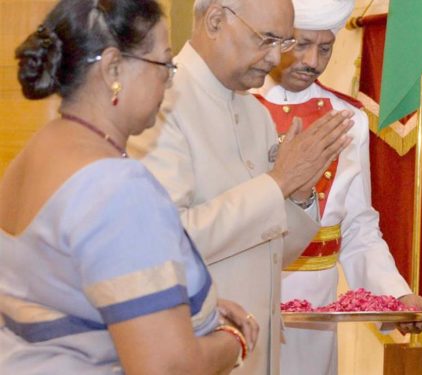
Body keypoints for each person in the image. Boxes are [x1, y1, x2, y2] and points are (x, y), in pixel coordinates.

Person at [0, 0, 258, 373]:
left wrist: (182, 309)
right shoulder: (117, 188)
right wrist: (233, 341)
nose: (169, 82)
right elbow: (167, 368)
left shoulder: (35, 153)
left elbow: (69, 291)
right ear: (112, 68)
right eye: (163, 65)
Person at [127, 0, 354, 373]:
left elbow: (273, 253)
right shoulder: (160, 101)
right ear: (216, 19)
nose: (273, 58)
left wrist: (298, 194)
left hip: (258, 354)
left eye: (282, 43)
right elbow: (164, 244)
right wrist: (277, 183)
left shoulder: (255, 114)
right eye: (266, 39)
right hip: (191, 352)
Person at [255, 1, 422, 373]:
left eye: (326, 48)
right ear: (274, 39)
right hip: (245, 299)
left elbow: (357, 228)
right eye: (300, 44)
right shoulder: (238, 106)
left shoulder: (348, 117)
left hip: (316, 318)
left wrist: (397, 297)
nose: (313, 61)